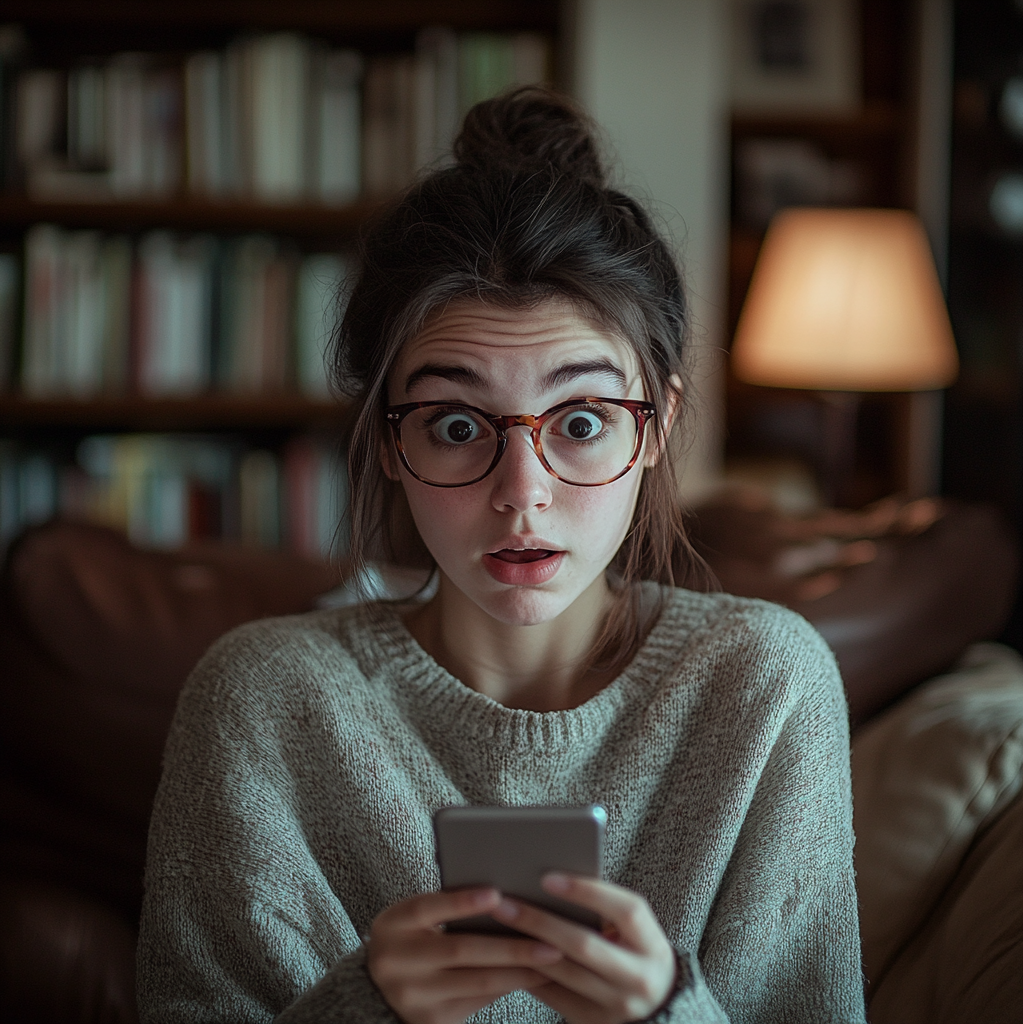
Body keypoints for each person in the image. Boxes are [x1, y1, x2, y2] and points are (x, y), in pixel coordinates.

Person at [137, 89, 866, 1024]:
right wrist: (367, 1007)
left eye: (582, 421)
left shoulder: (766, 686)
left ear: (658, 428)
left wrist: (666, 1013)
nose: (523, 492)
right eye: (454, 423)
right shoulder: (260, 702)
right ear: (389, 443)